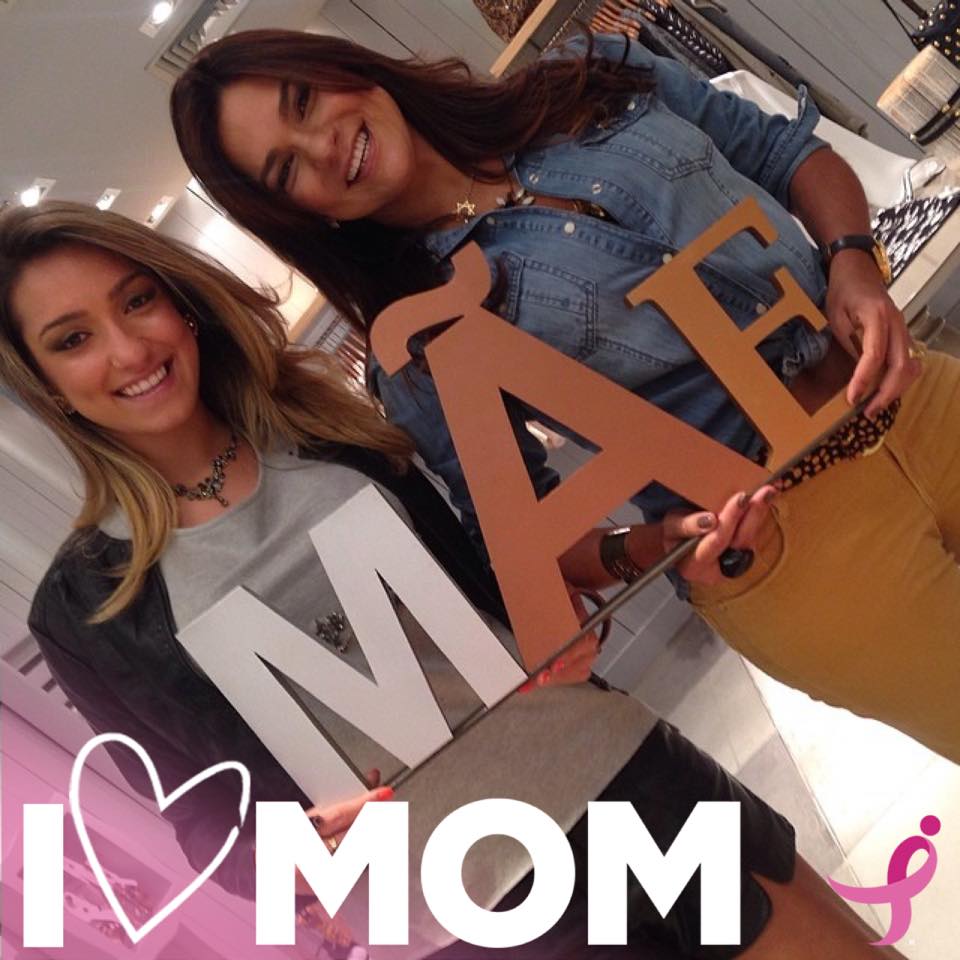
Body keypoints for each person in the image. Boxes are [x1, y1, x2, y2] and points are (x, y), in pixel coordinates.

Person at [0, 201, 903, 960]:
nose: (128, 350)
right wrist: (288, 851)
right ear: (44, 383)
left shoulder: (332, 435)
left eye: (138, 301)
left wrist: (638, 552)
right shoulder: (86, 609)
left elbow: (499, 578)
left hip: (618, 775)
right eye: (73, 339)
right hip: (463, 915)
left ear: (182, 306)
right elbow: (201, 823)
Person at [169, 27, 960, 763]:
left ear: (345, 69)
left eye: (303, 102)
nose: (322, 146)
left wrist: (853, 261)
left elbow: (784, 153)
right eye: (286, 170)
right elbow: (526, 535)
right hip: (795, 552)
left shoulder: (589, 79)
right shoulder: (418, 347)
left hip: (917, 395)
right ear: (296, 214)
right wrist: (652, 544)